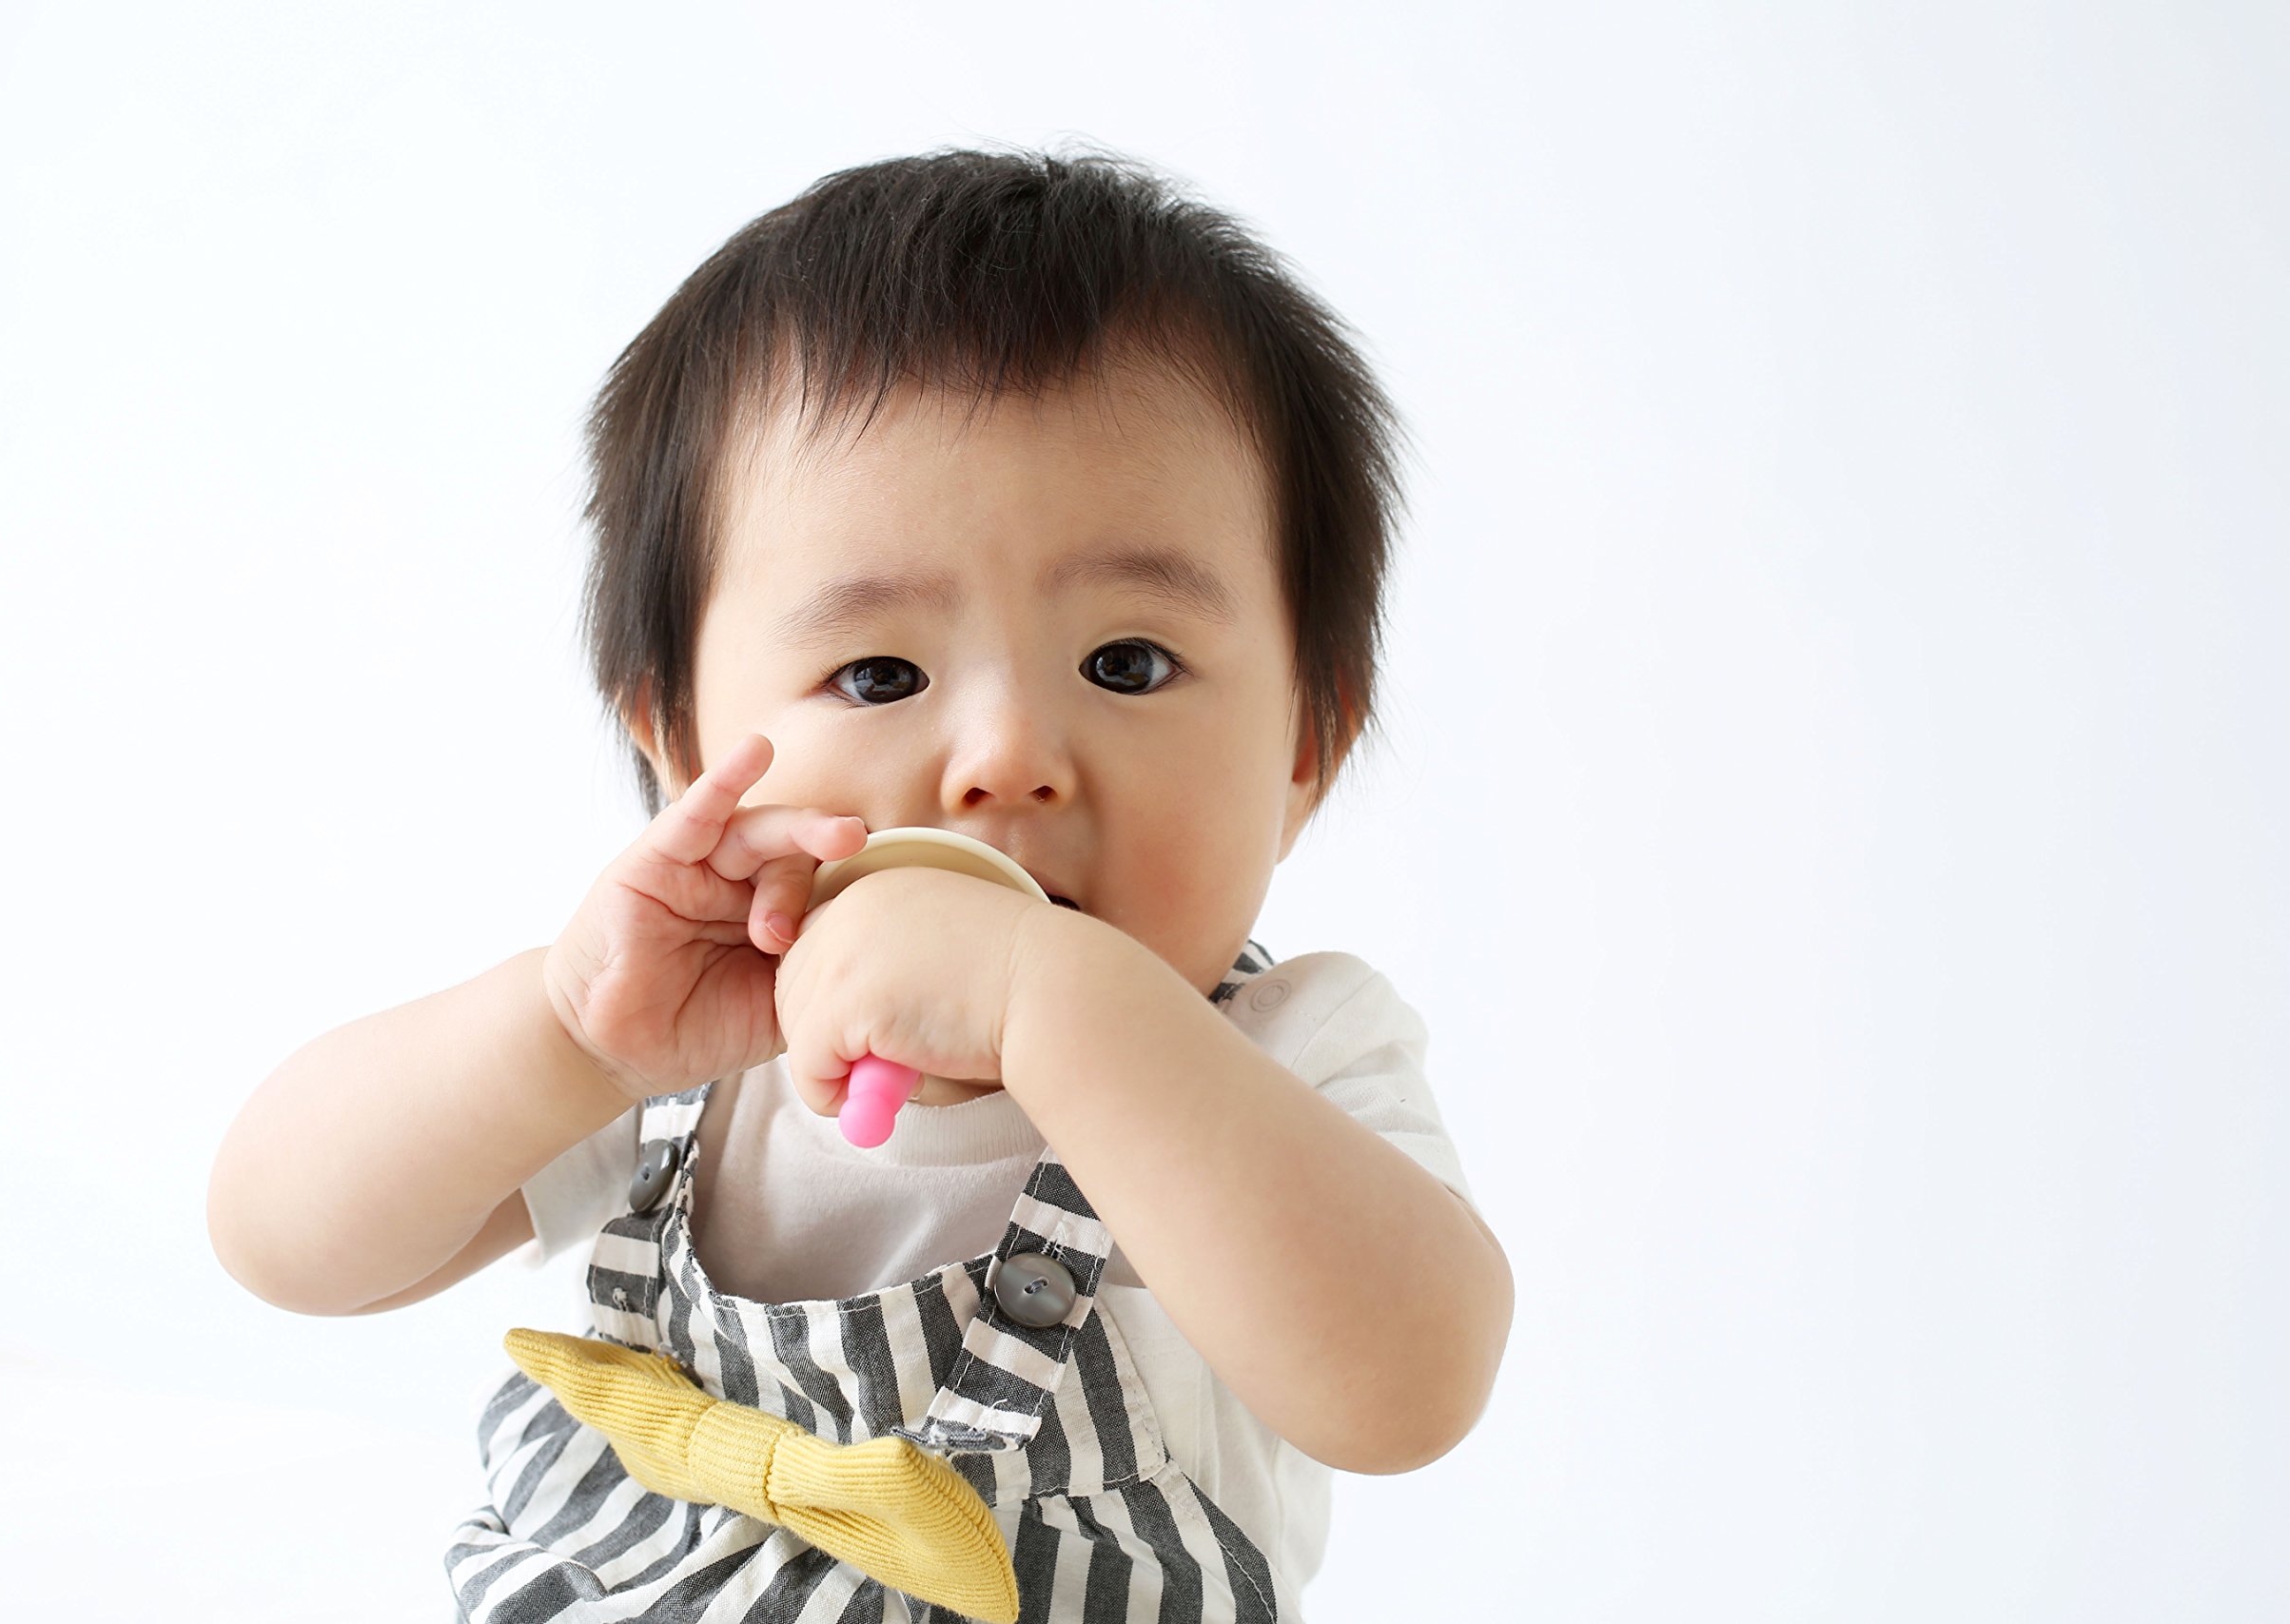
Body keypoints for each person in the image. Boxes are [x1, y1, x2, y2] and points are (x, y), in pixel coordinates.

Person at [208, 145, 1514, 1622]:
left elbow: (1410, 1390)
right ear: (681, 742)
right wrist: (566, 1038)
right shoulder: (693, 1032)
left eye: (1127, 662)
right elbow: (280, 1240)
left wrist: (1059, 1003)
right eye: (880, 673)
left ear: (1306, 745)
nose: (1005, 757)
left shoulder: (1286, 1059)